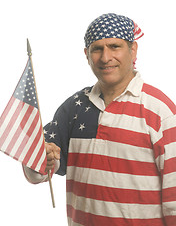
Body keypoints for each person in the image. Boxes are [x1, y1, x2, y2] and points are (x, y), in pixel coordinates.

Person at [23, 13, 176, 225]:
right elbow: (38, 172)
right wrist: (44, 158)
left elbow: (174, 198)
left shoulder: (160, 112)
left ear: (133, 50)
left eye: (115, 46)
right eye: (97, 49)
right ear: (86, 54)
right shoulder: (74, 108)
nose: (105, 58)